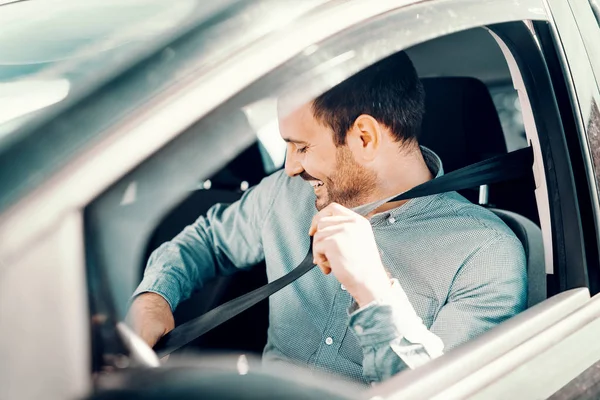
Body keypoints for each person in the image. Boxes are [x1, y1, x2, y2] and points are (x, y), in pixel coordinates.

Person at [128, 51, 527, 385]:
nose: (288, 168)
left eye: (301, 147)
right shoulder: (286, 195)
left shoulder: (485, 254)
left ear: (364, 138)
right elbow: (208, 240)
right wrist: (154, 297)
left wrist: (374, 289)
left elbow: (444, 392)